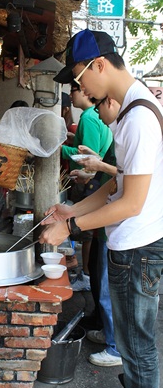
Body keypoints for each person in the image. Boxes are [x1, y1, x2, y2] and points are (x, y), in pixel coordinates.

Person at [40, 28, 163, 388]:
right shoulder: (130, 112)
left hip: (140, 247)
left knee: (138, 344)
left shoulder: (140, 118)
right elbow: (113, 189)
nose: (81, 91)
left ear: (99, 66)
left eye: (78, 80)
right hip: (131, 245)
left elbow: (130, 203)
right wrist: (72, 210)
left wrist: (70, 230)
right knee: (130, 339)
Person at [71, 98, 121, 367]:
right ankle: (110, 334)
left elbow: (126, 178)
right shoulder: (118, 129)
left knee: (108, 290)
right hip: (109, 226)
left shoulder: (133, 125)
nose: (97, 116)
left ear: (111, 102)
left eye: (100, 106)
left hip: (118, 229)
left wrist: (98, 167)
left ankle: (115, 347)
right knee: (103, 287)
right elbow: (113, 174)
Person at [61, 81, 113, 292]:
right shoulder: (95, 117)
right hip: (97, 181)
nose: (71, 95)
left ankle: (88, 277)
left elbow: (87, 155)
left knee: (90, 234)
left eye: (73, 90)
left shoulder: (90, 117)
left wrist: (60, 149)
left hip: (94, 183)